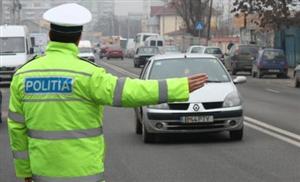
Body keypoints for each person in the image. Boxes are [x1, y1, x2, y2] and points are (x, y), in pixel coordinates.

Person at [7, 3, 208, 182]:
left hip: (42, 174)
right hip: (84, 174)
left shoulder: (23, 75)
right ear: (78, 38)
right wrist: (178, 87)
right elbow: (131, 91)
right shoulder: (88, 74)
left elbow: (16, 129)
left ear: (50, 35)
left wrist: (24, 171)